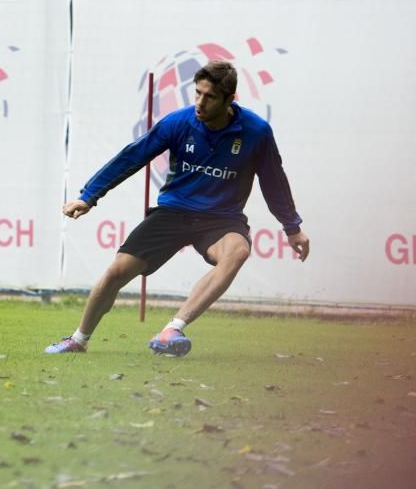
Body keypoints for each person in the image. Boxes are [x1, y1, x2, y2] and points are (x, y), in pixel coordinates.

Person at [46, 61, 309, 356]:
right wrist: (89, 196)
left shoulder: (256, 132)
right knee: (116, 272)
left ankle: (173, 329)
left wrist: (292, 228)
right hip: (173, 213)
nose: (199, 102)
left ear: (229, 99)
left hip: (221, 219)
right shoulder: (179, 122)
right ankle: (78, 340)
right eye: (197, 93)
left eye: (209, 97)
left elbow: (274, 181)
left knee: (238, 251)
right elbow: (131, 157)